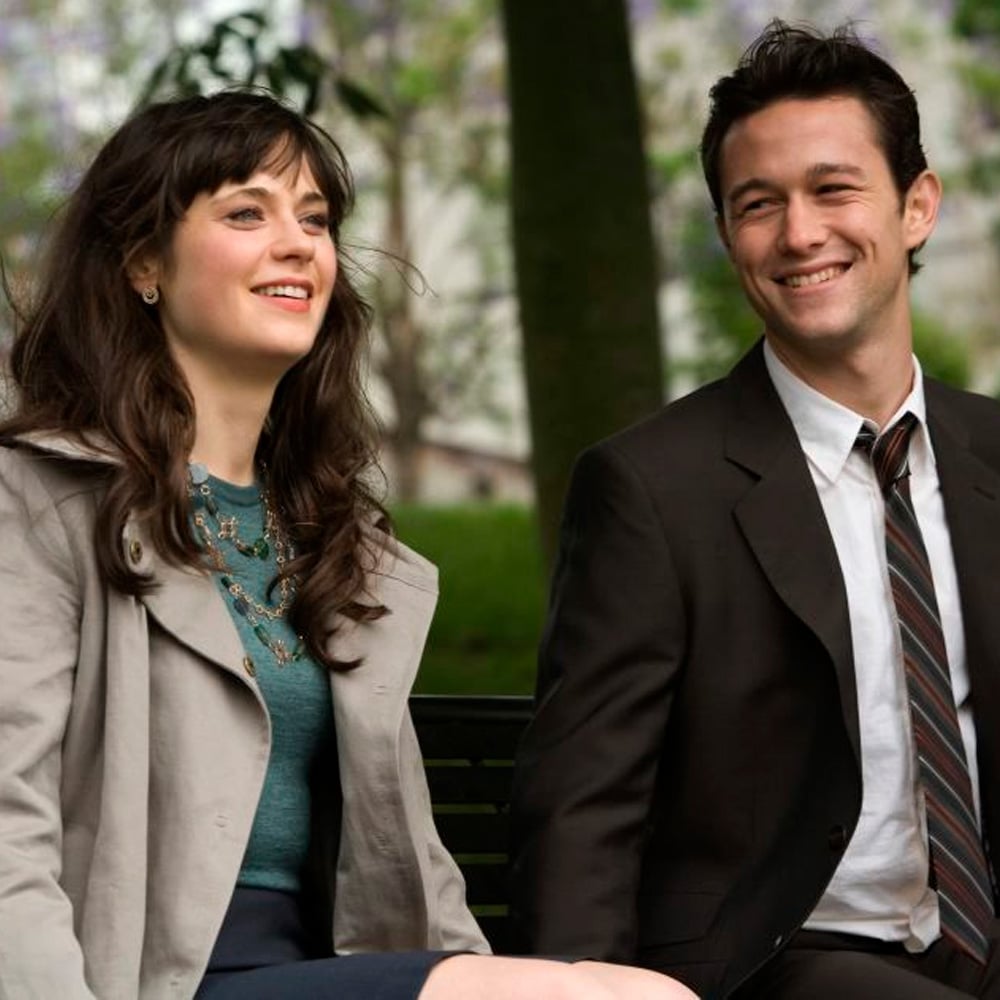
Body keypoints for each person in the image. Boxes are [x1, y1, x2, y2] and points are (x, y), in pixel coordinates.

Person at [0, 90, 698, 1000]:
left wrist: (488, 973)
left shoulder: (334, 542)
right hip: (143, 976)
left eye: (316, 218)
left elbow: (412, 856)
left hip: (316, 970)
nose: (299, 243)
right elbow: (7, 826)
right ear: (143, 263)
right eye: (246, 213)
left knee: (635, 995)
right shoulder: (39, 499)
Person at [509, 18, 1000, 1000]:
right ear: (729, 234)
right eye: (757, 204)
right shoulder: (651, 490)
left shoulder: (990, 452)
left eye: (832, 189)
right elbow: (584, 805)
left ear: (917, 206)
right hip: (785, 960)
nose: (799, 233)